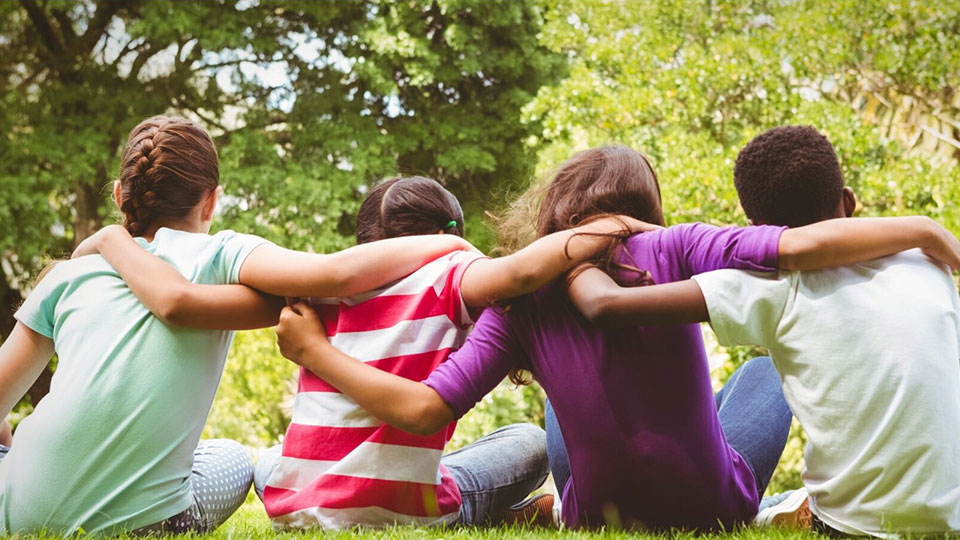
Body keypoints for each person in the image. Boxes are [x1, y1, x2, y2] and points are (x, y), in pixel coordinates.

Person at [270, 144, 960, 531]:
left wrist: (317, 354)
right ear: (645, 208)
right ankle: (784, 500)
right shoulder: (677, 246)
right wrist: (926, 230)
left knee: (554, 403)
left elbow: (425, 409)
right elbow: (806, 245)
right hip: (709, 509)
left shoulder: (519, 303)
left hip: (597, 517)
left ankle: (555, 502)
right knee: (762, 370)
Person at [83, 173, 653, 529]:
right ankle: (510, 511)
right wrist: (619, 224)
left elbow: (185, 301)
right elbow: (526, 270)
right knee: (527, 443)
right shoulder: (454, 274)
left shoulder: (313, 283)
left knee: (261, 460)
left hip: (298, 507)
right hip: (396, 505)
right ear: (438, 233)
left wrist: (111, 244)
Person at [0, 115, 477, 536]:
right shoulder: (218, 253)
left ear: (121, 195)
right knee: (229, 456)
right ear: (211, 202)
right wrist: (449, 245)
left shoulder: (67, 276)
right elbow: (338, 274)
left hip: (15, 513)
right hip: (144, 524)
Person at [564, 127, 960, 537]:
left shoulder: (766, 286)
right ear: (848, 201)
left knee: (759, 372)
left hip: (851, 527)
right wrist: (924, 229)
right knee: (762, 377)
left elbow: (607, 305)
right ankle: (777, 506)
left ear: (754, 230)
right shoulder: (926, 263)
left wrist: (588, 244)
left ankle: (777, 507)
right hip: (951, 519)